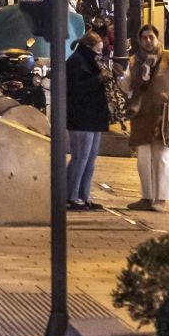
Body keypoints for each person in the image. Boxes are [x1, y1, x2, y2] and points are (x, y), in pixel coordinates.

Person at [124, 24, 169, 208]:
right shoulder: (134, 61)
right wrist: (121, 78)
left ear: (157, 38)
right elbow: (127, 86)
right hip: (141, 114)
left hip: (162, 113)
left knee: (161, 156)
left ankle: (161, 198)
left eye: (151, 37)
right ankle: (146, 196)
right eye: (144, 38)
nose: (148, 41)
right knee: (143, 158)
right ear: (139, 40)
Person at [65, 31, 111, 209]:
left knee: (90, 159)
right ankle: (71, 195)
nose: (99, 55)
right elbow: (78, 89)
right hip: (81, 118)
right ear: (88, 48)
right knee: (80, 158)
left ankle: (84, 195)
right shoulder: (77, 62)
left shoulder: (89, 61)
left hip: (93, 117)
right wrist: (99, 78)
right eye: (97, 51)